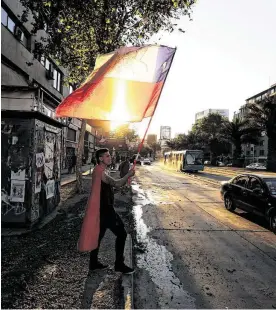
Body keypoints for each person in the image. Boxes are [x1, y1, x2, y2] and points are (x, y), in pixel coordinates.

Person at [78, 148, 135, 274]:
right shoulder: (100, 172)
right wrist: (128, 175)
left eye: (110, 156)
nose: (110, 158)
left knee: (99, 236)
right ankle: (119, 264)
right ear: (100, 158)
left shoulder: (101, 170)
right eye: (107, 156)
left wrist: (114, 191)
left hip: (101, 209)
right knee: (122, 234)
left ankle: (93, 263)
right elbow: (117, 183)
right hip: (105, 210)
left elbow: (106, 189)